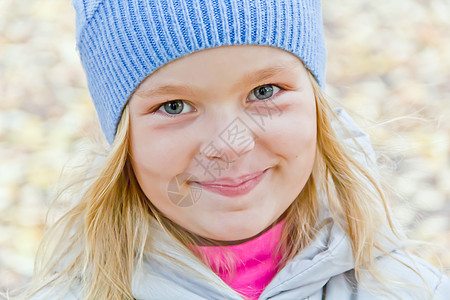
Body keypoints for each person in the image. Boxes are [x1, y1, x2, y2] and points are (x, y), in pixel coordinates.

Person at [15, 0, 449, 299]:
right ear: (122, 137)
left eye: (263, 92)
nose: (228, 146)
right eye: (174, 106)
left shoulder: (405, 288)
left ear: (317, 105)